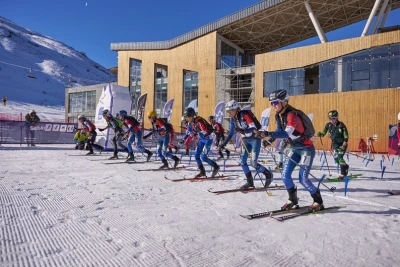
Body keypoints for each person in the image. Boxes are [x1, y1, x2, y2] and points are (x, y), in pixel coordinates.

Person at [266, 89, 323, 211]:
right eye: (271, 103)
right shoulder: (278, 116)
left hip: (306, 149)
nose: (273, 105)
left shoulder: (292, 114)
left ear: (284, 102)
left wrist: (268, 133)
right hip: (294, 148)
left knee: (303, 178)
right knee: (285, 176)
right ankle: (293, 199)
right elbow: (278, 131)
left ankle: (318, 201)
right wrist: (268, 138)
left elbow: (287, 133)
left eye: (275, 102)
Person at [220, 100, 272, 189]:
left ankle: (268, 174)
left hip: (255, 139)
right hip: (245, 140)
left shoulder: (244, 115)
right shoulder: (233, 119)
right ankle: (250, 182)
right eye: (228, 111)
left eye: (230, 111)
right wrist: (224, 143)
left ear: (236, 109)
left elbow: (253, 127)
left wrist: (243, 131)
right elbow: (231, 132)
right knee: (242, 162)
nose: (229, 113)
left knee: (253, 163)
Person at [182, 107, 220, 178]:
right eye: (186, 118)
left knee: (203, 157)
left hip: (208, 140)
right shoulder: (191, 123)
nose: (187, 119)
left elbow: (205, 131)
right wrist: (184, 140)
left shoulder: (199, 121)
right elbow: (189, 132)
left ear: (192, 116)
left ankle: (216, 167)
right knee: (196, 156)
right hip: (202, 140)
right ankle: (202, 172)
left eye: (187, 117)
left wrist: (197, 133)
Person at [317, 110, 349, 179]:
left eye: (332, 118)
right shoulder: (328, 125)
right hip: (335, 144)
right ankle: (345, 166)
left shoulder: (341, 125)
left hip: (342, 144)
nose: (331, 120)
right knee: (336, 160)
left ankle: (343, 174)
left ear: (336, 118)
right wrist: (320, 134)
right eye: (329, 118)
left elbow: (346, 136)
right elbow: (323, 133)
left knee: (340, 158)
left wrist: (343, 145)